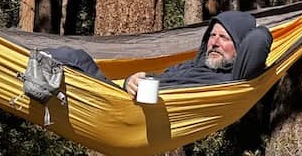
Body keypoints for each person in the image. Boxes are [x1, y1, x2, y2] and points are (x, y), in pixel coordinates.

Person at [47, 11, 273, 98]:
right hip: (121, 98)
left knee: (74, 58)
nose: (214, 43)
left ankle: (24, 68)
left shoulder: (233, 79)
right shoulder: (191, 67)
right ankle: (16, 64)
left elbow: (259, 37)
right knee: (74, 58)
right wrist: (130, 81)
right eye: (211, 36)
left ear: (241, 47)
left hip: (127, 111)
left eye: (224, 38)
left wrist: (250, 27)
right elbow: (147, 80)